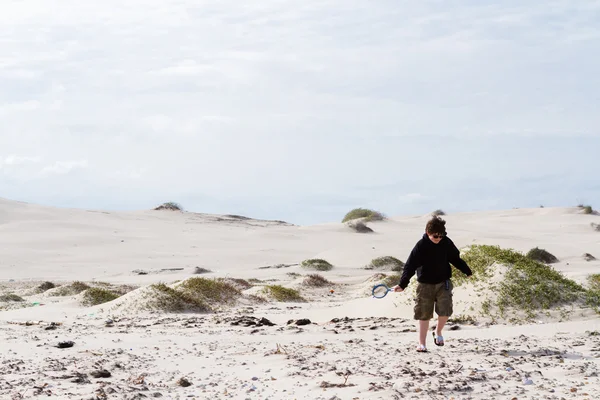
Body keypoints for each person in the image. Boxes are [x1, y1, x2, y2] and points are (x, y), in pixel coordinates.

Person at [393, 215, 472, 352]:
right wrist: (402, 284)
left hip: (443, 282)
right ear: (427, 232)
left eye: (441, 236)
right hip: (425, 285)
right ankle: (421, 343)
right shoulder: (421, 246)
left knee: (445, 311)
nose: (439, 238)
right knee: (424, 314)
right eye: (436, 236)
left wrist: (467, 271)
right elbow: (410, 266)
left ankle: (438, 331)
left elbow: (455, 259)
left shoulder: (446, 243)